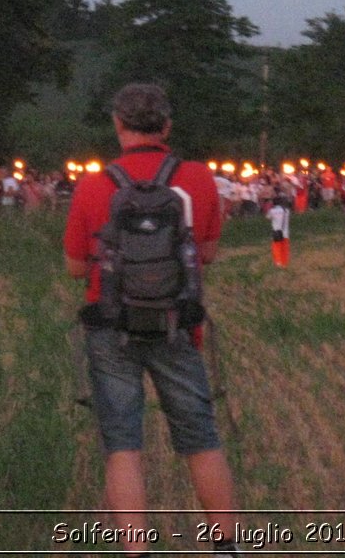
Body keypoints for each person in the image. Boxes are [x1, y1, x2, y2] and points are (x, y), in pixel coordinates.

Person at [63, 83, 238, 558]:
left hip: (110, 326)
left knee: (122, 442)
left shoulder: (95, 184)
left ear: (118, 126)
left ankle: (137, 551)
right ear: (167, 126)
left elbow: (77, 266)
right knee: (200, 436)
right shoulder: (198, 179)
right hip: (177, 324)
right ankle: (225, 547)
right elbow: (208, 253)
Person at [267, 195, 290, 269]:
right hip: (285, 232)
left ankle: (278, 261)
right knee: (285, 248)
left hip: (277, 231)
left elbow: (268, 217)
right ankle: (284, 262)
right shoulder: (287, 211)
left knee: (277, 247)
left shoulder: (272, 211)